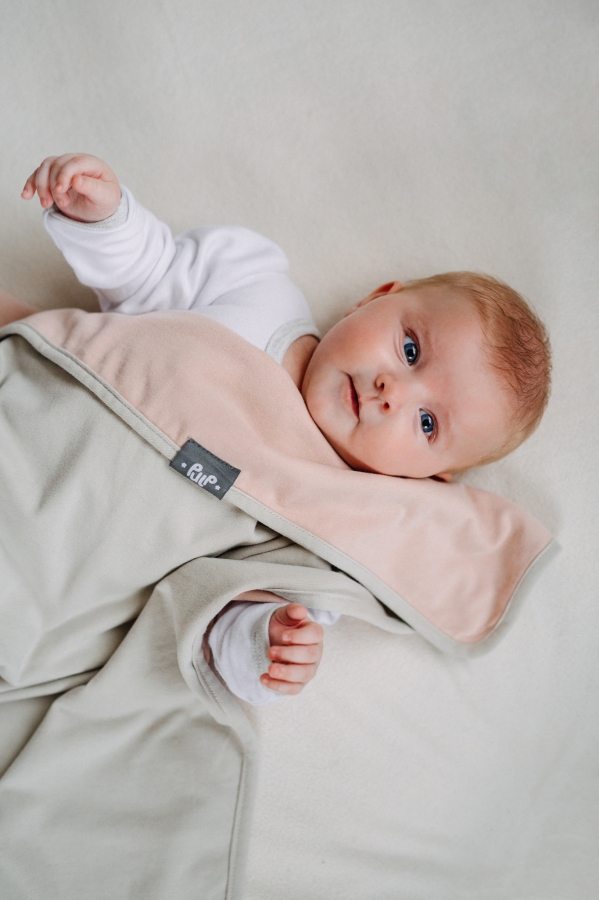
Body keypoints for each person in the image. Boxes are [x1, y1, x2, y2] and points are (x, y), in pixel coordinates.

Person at [20, 153, 551, 705]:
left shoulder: (334, 520)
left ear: (428, 476)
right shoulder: (258, 290)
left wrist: (266, 645)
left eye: (426, 423)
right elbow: (149, 273)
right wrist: (106, 220)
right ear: (376, 299)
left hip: (71, 588)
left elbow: (216, 612)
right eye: (410, 350)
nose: (392, 391)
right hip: (45, 427)